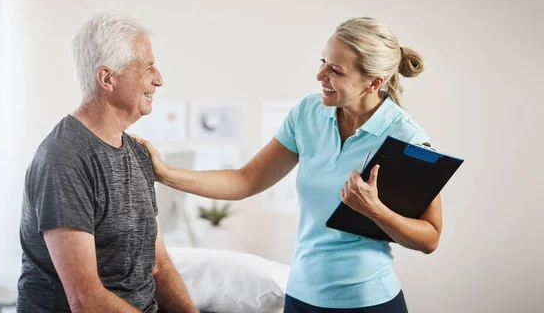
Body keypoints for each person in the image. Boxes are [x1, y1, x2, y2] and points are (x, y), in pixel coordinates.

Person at [135, 17, 441, 313]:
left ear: (374, 82)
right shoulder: (309, 112)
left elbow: (429, 237)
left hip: (366, 302)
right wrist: (165, 174)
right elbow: (245, 181)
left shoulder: (406, 138)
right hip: (300, 297)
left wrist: (376, 210)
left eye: (335, 70)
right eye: (322, 62)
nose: (320, 76)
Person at [17, 11, 198, 313]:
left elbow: (159, 265)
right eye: (147, 66)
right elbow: (86, 300)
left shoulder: (138, 154)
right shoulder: (63, 160)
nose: (159, 79)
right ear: (107, 78)